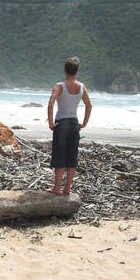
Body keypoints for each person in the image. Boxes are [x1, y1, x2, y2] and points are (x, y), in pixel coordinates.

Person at [47, 56, 92, 195]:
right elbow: (89, 105)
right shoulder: (81, 87)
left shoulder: (59, 86)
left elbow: (51, 103)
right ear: (76, 71)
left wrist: (50, 122)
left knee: (59, 157)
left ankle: (56, 188)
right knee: (72, 158)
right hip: (74, 124)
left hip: (62, 124)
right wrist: (84, 123)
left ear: (65, 70)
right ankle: (67, 189)